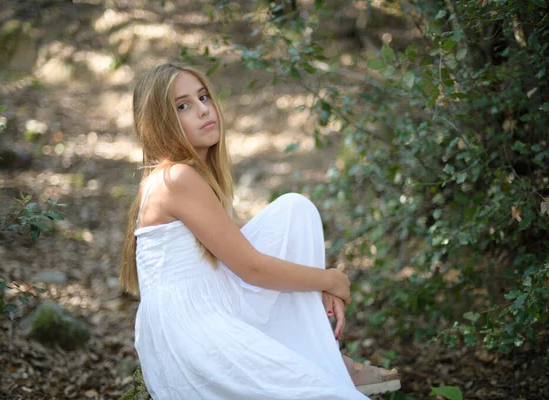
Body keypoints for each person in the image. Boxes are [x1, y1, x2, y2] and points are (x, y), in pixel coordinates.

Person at [120, 62, 400, 399]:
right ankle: (327, 363)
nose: (204, 110)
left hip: (209, 311)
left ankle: (323, 356)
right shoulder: (176, 178)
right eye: (183, 106)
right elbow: (251, 268)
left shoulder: (182, 178)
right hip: (193, 336)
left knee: (294, 210)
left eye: (203, 96)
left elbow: (244, 256)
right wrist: (330, 280)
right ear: (160, 122)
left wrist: (316, 280)